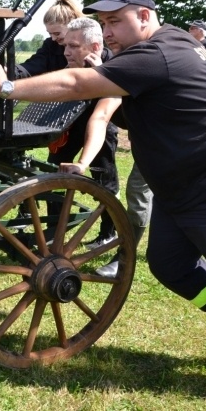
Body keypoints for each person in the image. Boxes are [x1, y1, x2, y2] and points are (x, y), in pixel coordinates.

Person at [0, 0, 206, 408]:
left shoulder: (156, 53)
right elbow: (106, 100)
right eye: (103, 22)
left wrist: (8, 87)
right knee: (169, 265)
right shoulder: (164, 43)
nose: (109, 31)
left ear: (144, 15)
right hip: (180, 187)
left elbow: (75, 84)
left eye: (115, 21)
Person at [51, 18, 121, 247]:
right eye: (65, 46)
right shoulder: (70, 65)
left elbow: (102, 116)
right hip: (74, 122)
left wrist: (99, 72)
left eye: (73, 46)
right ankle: (54, 230)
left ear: (95, 48)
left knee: (104, 180)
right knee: (54, 168)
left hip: (103, 123)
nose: (66, 52)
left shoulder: (115, 67)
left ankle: (108, 233)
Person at [15, 0, 85, 79]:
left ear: (73, 26)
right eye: (50, 34)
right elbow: (33, 65)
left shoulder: (90, 46)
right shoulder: (51, 45)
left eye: (57, 33)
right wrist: (11, 71)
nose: (53, 38)